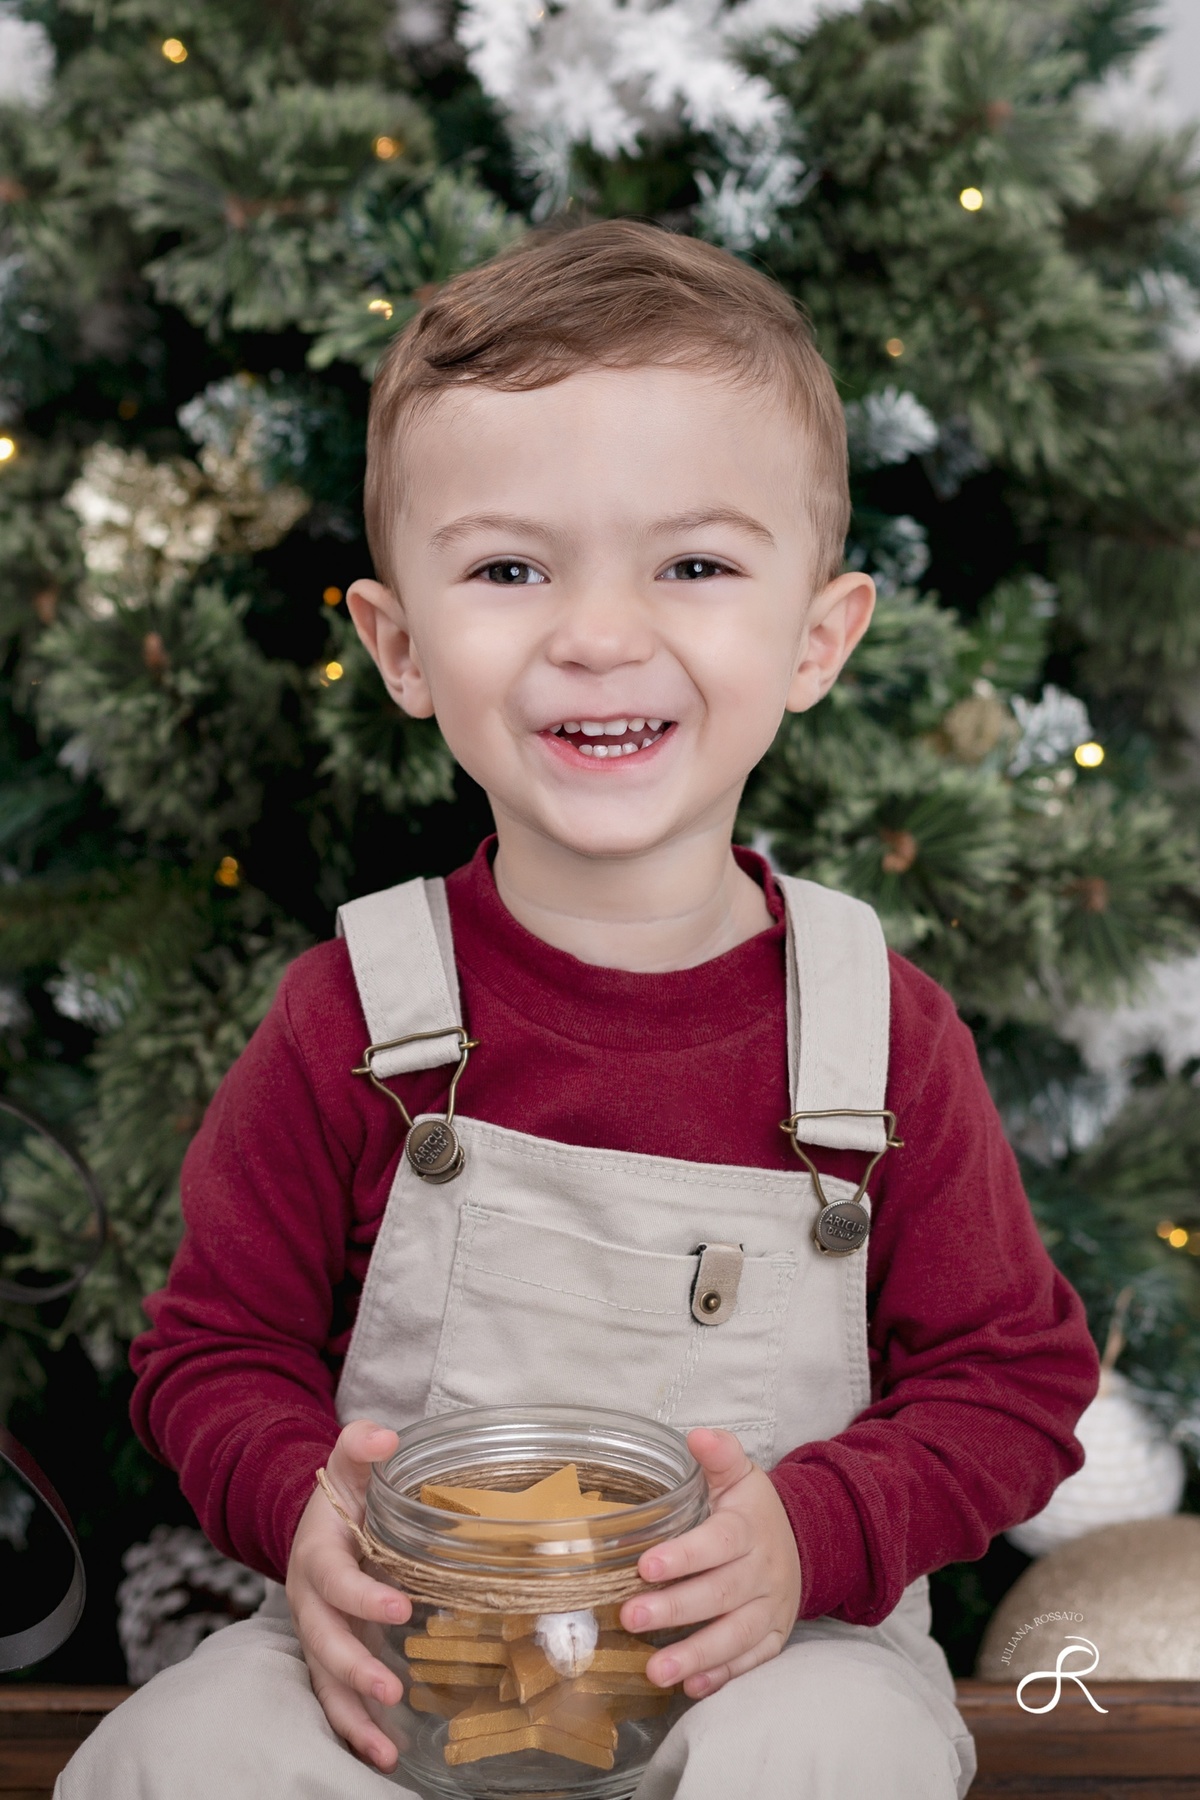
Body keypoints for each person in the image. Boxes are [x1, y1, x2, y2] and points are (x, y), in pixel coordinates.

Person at [58, 221, 1099, 1799]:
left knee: (836, 1752)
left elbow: (1012, 1381)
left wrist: (816, 1534)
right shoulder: (354, 1014)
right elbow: (211, 1353)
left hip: (771, 1651)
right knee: (179, 1750)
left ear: (817, 637)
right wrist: (301, 1513)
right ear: (400, 648)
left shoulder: (878, 1035)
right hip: (405, 1661)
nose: (599, 634)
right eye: (508, 568)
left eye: (692, 563)